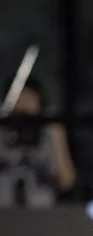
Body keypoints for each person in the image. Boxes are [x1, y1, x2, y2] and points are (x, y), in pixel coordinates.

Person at [0, 79, 75, 207]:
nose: (23, 103)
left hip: (41, 209)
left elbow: (66, 181)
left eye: (29, 97)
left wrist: (57, 137)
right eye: (18, 97)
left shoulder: (50, 132)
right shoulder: (2, 131)